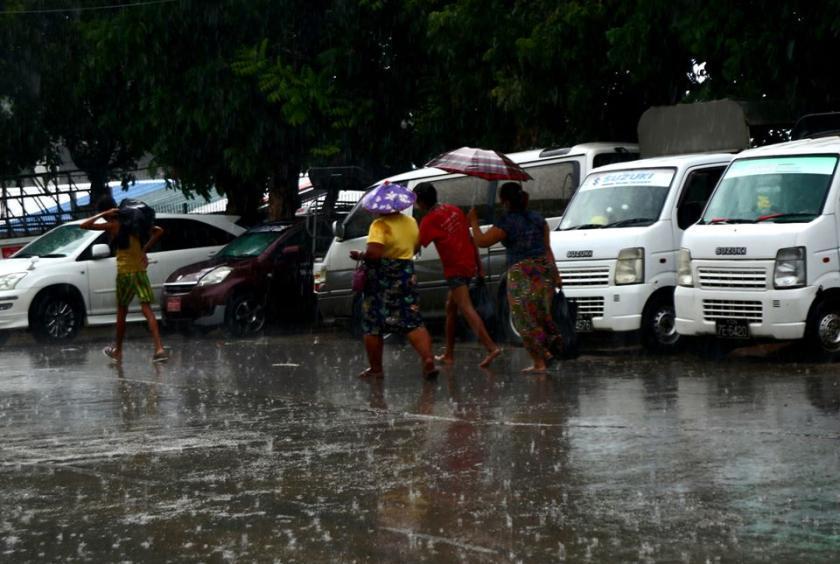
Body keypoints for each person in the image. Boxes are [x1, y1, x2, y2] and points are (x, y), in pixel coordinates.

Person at [468, 182, 562, 373]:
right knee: (540, 316)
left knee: (522, 320)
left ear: (505, 201)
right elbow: (547, 249)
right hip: (543, 271)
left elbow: (482, 241)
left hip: (522, 274)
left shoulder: (507, 222)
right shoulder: (538, 219)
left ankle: (540, 361)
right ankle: (547, 353)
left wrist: (473, 221)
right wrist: (556, 274)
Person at [350, 182, 438, 379]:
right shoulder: (411, 222)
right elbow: (415, 248)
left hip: (382, 278)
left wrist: (360, 255)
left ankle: (376, 369)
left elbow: (374, 253)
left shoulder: (379, 225)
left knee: (373, 323)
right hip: (406, 273)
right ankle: (427, 358)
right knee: (412, 321)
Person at [413, 182, 501, 368]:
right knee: (450, 308)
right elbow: (469, 238)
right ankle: (449, 354)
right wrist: (479, 265)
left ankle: (491, 348)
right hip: (468, 263)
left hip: (455, 269)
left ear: (420, 202)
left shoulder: (429, 220)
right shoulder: (453, 210)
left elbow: (416, 247)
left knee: (467, 309)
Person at [80, 202, 167, 363]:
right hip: (140, 273)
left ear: (113, 213)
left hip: (125, 275)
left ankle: (118, 351)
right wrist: (144, 250)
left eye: (107, 214)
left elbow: (84, 225)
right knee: (147, 310)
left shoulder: (114, 226)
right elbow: (159, 231)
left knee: (122, 313)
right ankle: (159, 348)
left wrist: (103, 213)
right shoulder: (137, 226)